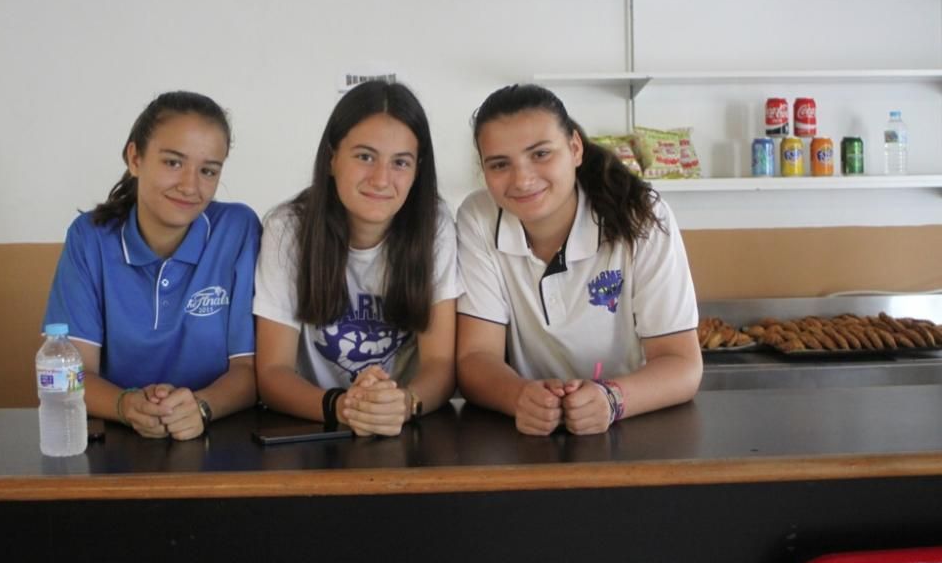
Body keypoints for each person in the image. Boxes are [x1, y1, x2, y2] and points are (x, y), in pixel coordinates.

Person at [455, 84, 702, 436]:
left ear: (574, 148)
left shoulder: (641, 215)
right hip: (528, 432)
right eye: (499, 164)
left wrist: (611, 399)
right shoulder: (478, 217)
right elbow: (475, 358)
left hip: (632, 424)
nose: (522, 179)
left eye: (540, 154)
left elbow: (682, 365)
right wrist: (520, 397)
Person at [43, 91, 260, 440]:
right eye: (173, 162)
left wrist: (200, 407)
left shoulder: (237, 230)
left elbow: (250, 370)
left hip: (218, 434)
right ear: (135, 158)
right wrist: (126, 406)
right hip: (117, 439)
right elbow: (70, 371)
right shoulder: (90, 238)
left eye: (208, 170)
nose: (190, 185)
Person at [253, 81, 461, 437]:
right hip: (316, 425)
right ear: (332, 158)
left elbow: (441, 364)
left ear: (417, 170)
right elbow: (273, 372)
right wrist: (343, 407)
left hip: (406, 427)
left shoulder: (435, 226)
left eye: (400, 162)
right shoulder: (287, 229)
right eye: (365, 156)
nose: (381, 179)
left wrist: (404, 403)